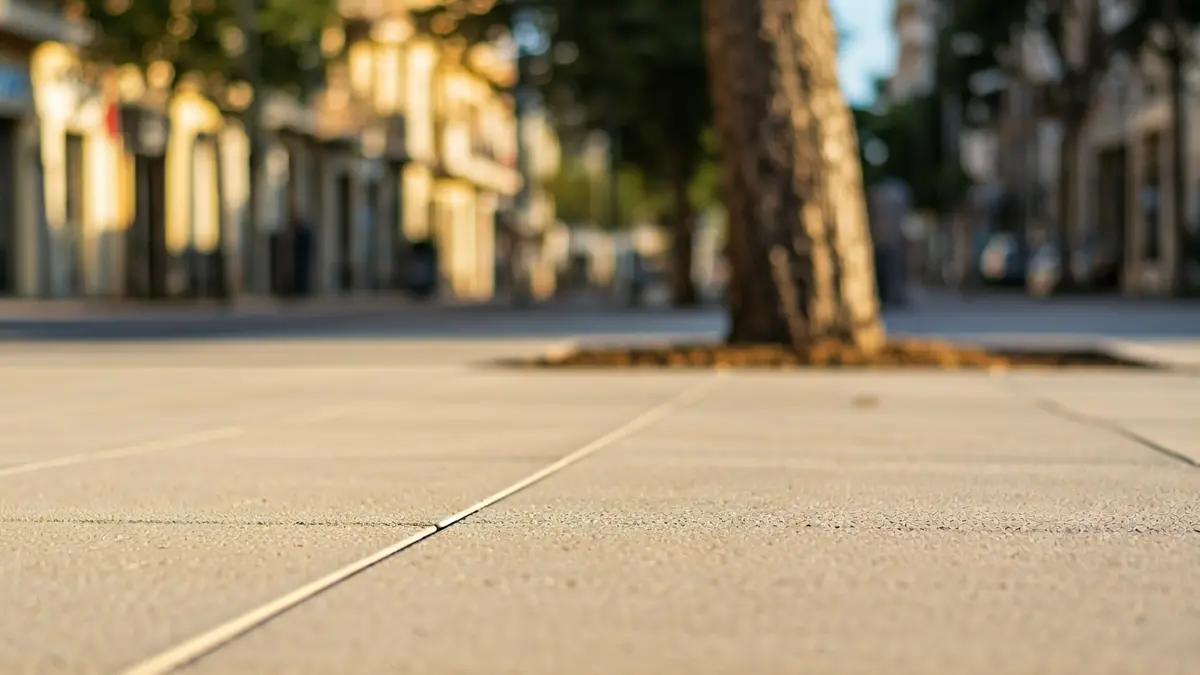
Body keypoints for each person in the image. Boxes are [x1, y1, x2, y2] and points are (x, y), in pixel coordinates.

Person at [867, 177, 912, 306]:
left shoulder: (877, 194)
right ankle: (892, 296)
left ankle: (890, 296)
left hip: (884, 239)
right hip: (890, 239)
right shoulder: (898, 196)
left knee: (889, 269)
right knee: (891, 269)